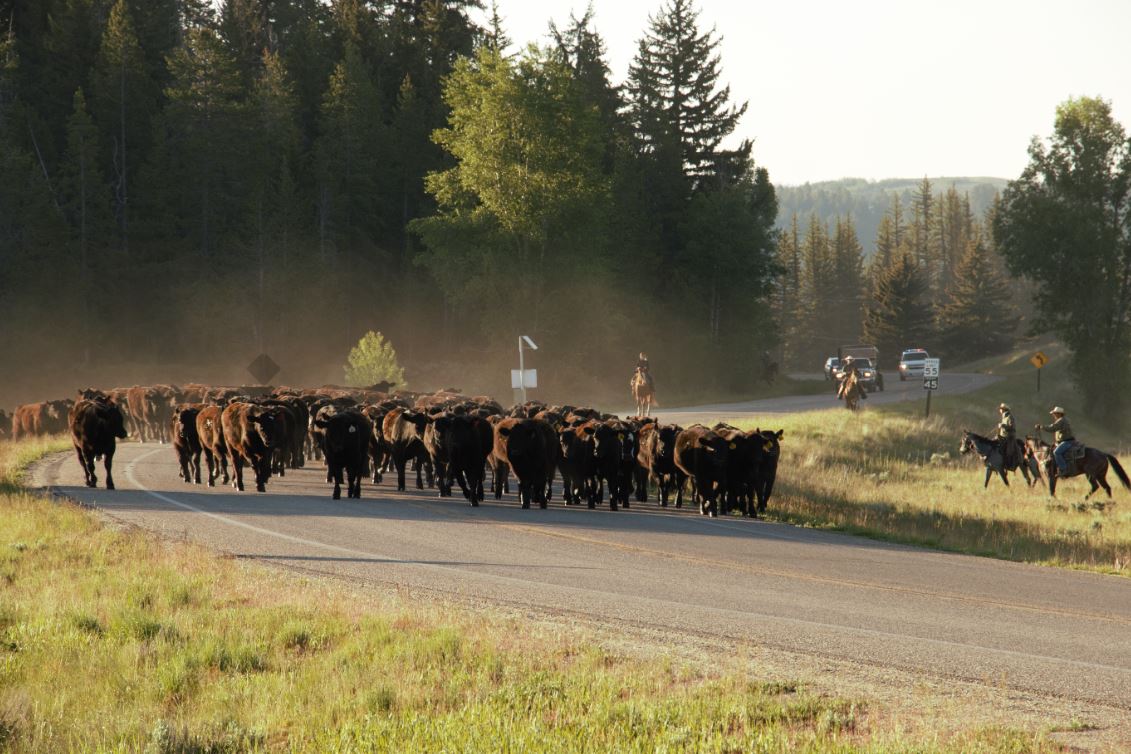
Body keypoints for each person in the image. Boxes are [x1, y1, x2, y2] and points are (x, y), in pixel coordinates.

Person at [1036, 406, 1074, 475]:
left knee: (1056, 452)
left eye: (1055, 413)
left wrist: (1041, 427)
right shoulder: (1062, 420)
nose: (1053, 415)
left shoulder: (1061, 420)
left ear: (1059, 414)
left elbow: (1053, 428)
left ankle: (1063, 469)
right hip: (1064, 441)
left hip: (1066, 442)